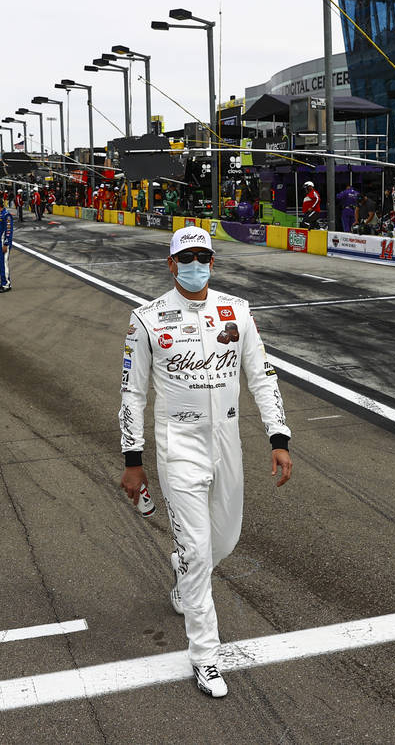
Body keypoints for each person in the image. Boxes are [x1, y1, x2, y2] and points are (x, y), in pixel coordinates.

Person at [119, 225, 292, 699]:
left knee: (225, 541)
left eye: (202, 257)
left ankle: (184, 573)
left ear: (212, 262)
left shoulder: (238, 310)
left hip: (227, 439)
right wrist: (133, 458)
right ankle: (205, 657)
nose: (195, 264)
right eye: (186, 257)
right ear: (171, 263)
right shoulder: (146, 319)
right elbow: (132, 394)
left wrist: (278, 436)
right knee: (198, 552)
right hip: (178, 443)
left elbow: (262, 375)